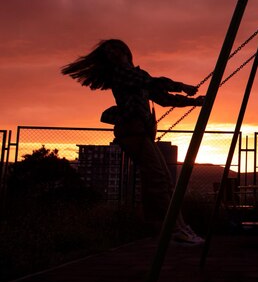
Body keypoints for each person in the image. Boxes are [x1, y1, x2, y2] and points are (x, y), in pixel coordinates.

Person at [62, 39, 204, 245]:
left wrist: (194, 102)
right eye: (111, 53)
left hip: (140, 132)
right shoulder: (123, 74)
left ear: (125, 51)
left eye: (116, 51)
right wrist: (182, 87)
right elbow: (154, 83)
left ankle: (175, 228)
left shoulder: (134, 76)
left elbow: (162, 97)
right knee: (158, 180)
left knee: (162, 180)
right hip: (133, 132)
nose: (115, 55)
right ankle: (172, 230)